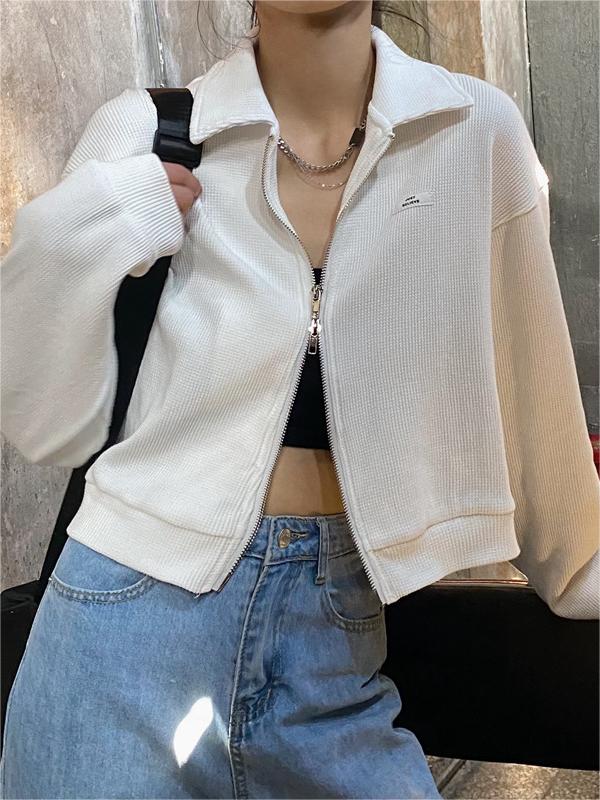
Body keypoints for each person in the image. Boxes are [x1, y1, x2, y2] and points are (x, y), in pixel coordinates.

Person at [1, 0, 598, 798]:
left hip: (335, 641)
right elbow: (42, 421)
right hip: (122, 628)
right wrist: (77, 235)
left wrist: (580, 566)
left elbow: (532, 379)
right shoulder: (150, 131)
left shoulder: (472, 129)